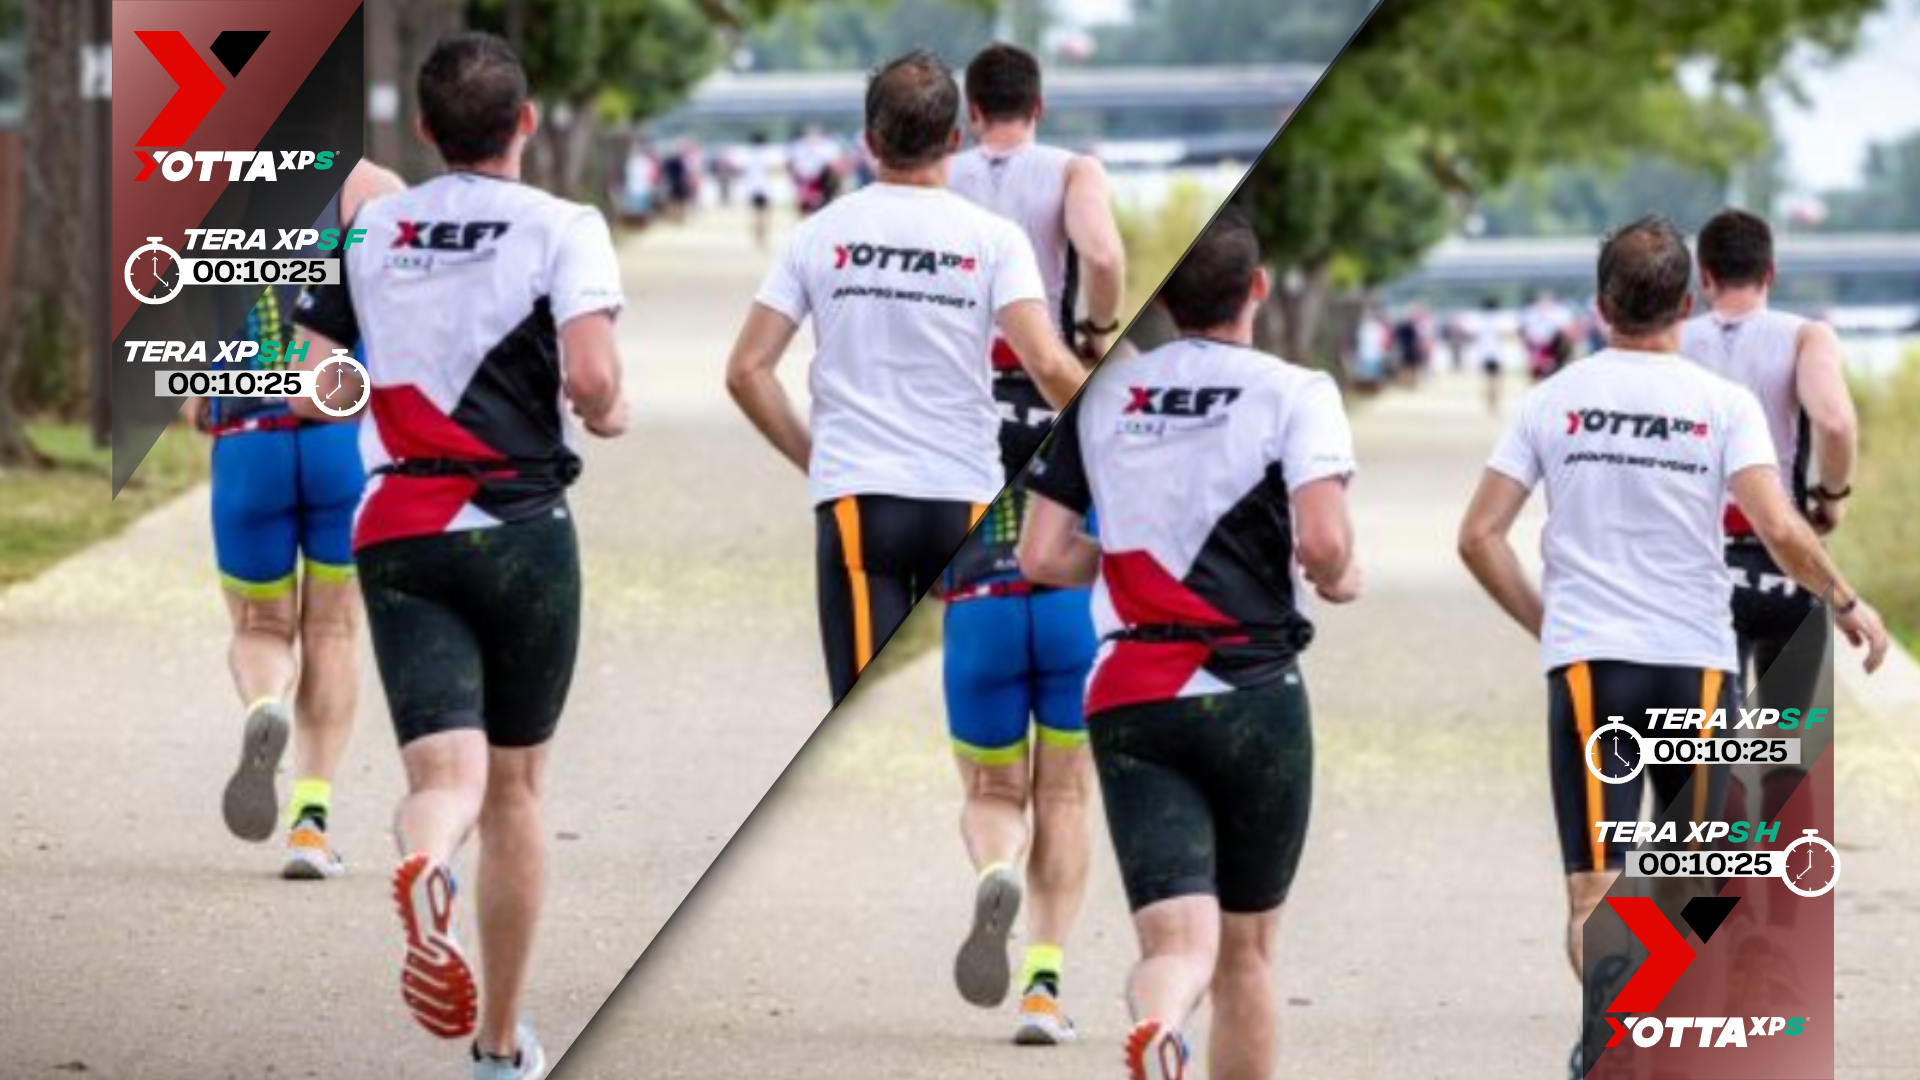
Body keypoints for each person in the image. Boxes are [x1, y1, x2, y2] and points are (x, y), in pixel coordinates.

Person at [1456, 216, 1888, 1079]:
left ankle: (1614, 1033)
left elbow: (1479, 537)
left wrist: (1552, 627)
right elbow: (1779, 528)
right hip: (1695, 667)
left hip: (1591, 669)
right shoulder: (1722, 405)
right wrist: (1844, 600)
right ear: (1686, 306)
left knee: (1596, 884)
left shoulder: (1554, 399)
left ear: (1600, 304)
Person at [289, 32, 630, 1080]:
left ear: (425, 129)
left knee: (444, 775)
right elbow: (591, 377)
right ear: (524, 122)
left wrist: (388, 396)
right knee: (515, 789)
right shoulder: (565, 226)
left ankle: (429, 858)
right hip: (521, 529)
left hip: (399, 529)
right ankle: (498, 1046)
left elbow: (312, 382)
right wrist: (604, 409)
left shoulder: (371, 228)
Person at [1021, 207, 1361, 1080]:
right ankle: (1171, 1035)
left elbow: (1041, 554)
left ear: (1166, 298)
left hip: (1131, 694)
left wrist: (1127, 562)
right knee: (1247, 951)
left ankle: (1163, 1023)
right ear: (1258, 288)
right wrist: (1337, 574)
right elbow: (1324, 542)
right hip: (1252, 692)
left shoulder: (1104, 394)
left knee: (1175, 942)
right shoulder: (1296, 392)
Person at [725, 50, 1087, 708]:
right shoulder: (995, 238)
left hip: (860, 500)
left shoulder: (819, 233)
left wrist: (818, 460)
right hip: (966, 498)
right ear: (955, 137)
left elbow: (748, 371)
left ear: (869, 140)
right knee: (967, 719)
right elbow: (1046, 363)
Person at [937, 40, 1127, 1045]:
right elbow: (1103, 256)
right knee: (1067, 790)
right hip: (1067, 596)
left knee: (992, 790)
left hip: (976, 572)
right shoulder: (1071, 172)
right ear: (1038, 106)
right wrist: (1091, 336)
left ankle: (995, 869)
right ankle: (1045, 989)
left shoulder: (939, 183)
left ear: (969, 113)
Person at [187, 157, 404, 879]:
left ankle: (264, 705)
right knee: (334, 630)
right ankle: (310, 825)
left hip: (248, 439)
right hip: (343, 439)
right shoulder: (375, 190)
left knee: (260, 627)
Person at [739, 130, 783, 250]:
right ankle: (763, 238)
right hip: (765, 188)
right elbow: (776, 169)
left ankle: (757, 238)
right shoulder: (768, 153)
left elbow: (740, 170)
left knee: (755, 214)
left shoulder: (747, 153)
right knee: (765, 214)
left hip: (751, 188)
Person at [1463, 296, 1506, 413]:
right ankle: (1494, 403)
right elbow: (1507, 334)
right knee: (1496, 380)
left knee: (1486, 380)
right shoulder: (1500, 318)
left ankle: (1488, 403)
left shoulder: (1478, 319)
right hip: (1497, 354)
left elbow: (1470, 335)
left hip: (1482, 353)